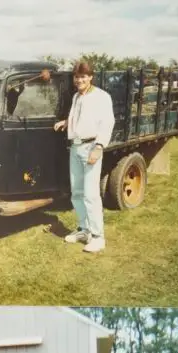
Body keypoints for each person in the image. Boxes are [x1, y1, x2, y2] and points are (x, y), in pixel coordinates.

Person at [54, 60, 115, 253]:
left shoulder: (101, 97)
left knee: (90, 194)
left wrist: (99, 147)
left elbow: (107, 122)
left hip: (91, 147)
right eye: (77, 77)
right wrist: (66, 122)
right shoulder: (76, 97)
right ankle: (84, 229)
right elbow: (79, 117)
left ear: (90, 77)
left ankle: (98, 237)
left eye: (83, 76)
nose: (79, 80)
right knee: (77, 192)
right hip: (76, 147)